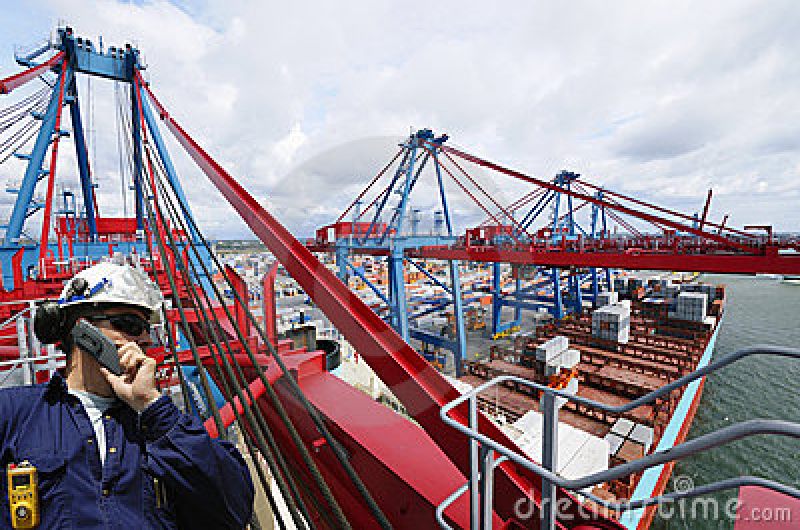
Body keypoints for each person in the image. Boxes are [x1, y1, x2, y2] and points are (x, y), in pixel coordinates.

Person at [0, 262, 254, 529]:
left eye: (148, 329)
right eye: (130, 325)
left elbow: (233, 511)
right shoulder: (13, 414)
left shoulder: (162, 427)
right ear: (84, 331)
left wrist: (152, 406)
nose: (146, 339)